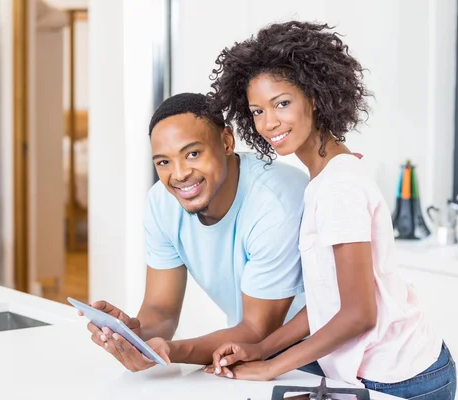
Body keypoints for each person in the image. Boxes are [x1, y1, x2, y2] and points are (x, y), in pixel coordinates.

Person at [205, 21, 457, 399]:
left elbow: (359, 314)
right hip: (378, 372)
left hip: (405, 380)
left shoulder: (339, 186)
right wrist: (263, 348)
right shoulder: (324, 177)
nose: (268, 123)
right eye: (257, 111)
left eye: (282, 103)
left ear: (316, 97)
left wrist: (271, 366)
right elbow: (331, 299)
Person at [83, 92, 310, 373]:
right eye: (163, 162)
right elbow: (161, 310)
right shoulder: (161, 203)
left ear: (227, 142)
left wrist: (170, 351)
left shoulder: (275, 201)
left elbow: (258, 329)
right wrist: (133, 337)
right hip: (248, 356)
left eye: (192, 154)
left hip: (319, 360)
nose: (179, 174)